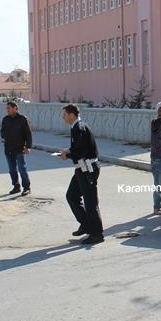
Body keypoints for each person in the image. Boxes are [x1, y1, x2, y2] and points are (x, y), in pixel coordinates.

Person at [59, 104, 104, 244]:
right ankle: (86, 224)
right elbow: (79, 147)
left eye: (65, 114)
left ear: (72, 115)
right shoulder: (77, 128)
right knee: (72, 196)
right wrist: (68, 151)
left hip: (87, 169)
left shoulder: (80, 127)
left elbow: (81, 151)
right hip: (81, 168)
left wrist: (68, 155)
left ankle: (97, 234)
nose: (63, 117)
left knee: (90, 202)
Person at [0, 101, 33, 196]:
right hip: (8, 148)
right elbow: (2, 132)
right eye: (7, 108)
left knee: (22, 168)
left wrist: (28, 147)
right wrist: (5, 135)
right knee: (12, 169)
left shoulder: (22, 119)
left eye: (9, 108)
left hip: (19, 148)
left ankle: (26, 187)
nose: (7, 110)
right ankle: (16, 186)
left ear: (15, 108)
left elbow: (28, 134)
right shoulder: (5, 119)